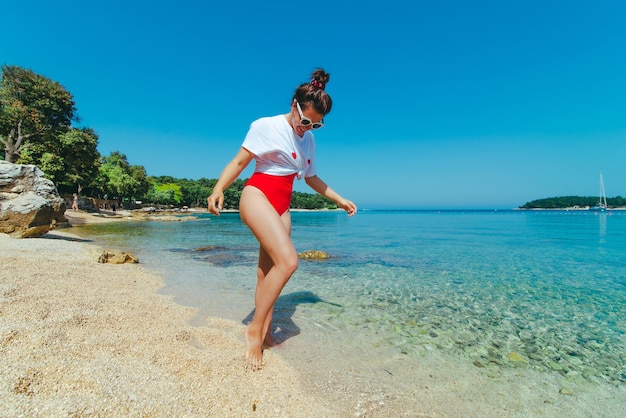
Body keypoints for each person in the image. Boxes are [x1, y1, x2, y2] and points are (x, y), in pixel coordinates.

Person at [207, 68, 357, 370]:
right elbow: (239, 162)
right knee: (289, 261)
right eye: (305, 120)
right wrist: (218, 188)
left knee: (267, 273)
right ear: (294, 105)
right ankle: (253, 330)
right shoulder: (266, 125)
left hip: (283, 206)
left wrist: (338, 198)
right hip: (257, 195)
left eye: (316, 124)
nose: (308, 127)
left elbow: (311, 179)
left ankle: (264, 331)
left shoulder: (309, 140)